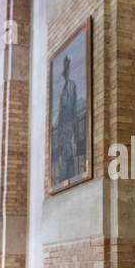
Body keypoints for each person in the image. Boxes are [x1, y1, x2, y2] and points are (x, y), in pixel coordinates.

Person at [54, 53, 79, 183]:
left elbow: (73, 107)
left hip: (70, 123)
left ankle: (70, 176)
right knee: (65, 154)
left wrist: (74, 128)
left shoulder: (72, 86)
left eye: (67, 69)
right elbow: (60, 111)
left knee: (71, 152)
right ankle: (65, 178)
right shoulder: (62, 91)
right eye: (65, 70)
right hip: (63, 126)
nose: (66, 72)